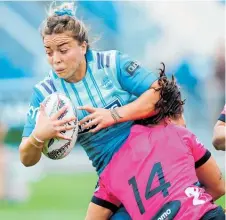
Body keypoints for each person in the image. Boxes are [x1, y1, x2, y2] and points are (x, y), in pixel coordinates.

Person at [19, 2, 161, 219]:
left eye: (63, 50)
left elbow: (160, 92)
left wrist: (113, 115)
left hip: (151, 159)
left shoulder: (112, 63)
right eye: (49, 52)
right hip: (111, 177)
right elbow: (26, 158)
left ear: (83, 46)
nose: (55, 59)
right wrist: (39, 135)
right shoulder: (45, 94)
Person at [85, 70, 225, 220]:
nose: (185, 124)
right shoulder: (178, 134)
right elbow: (218, 187)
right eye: (181, 115)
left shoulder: (108, 173)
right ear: (169, 118)